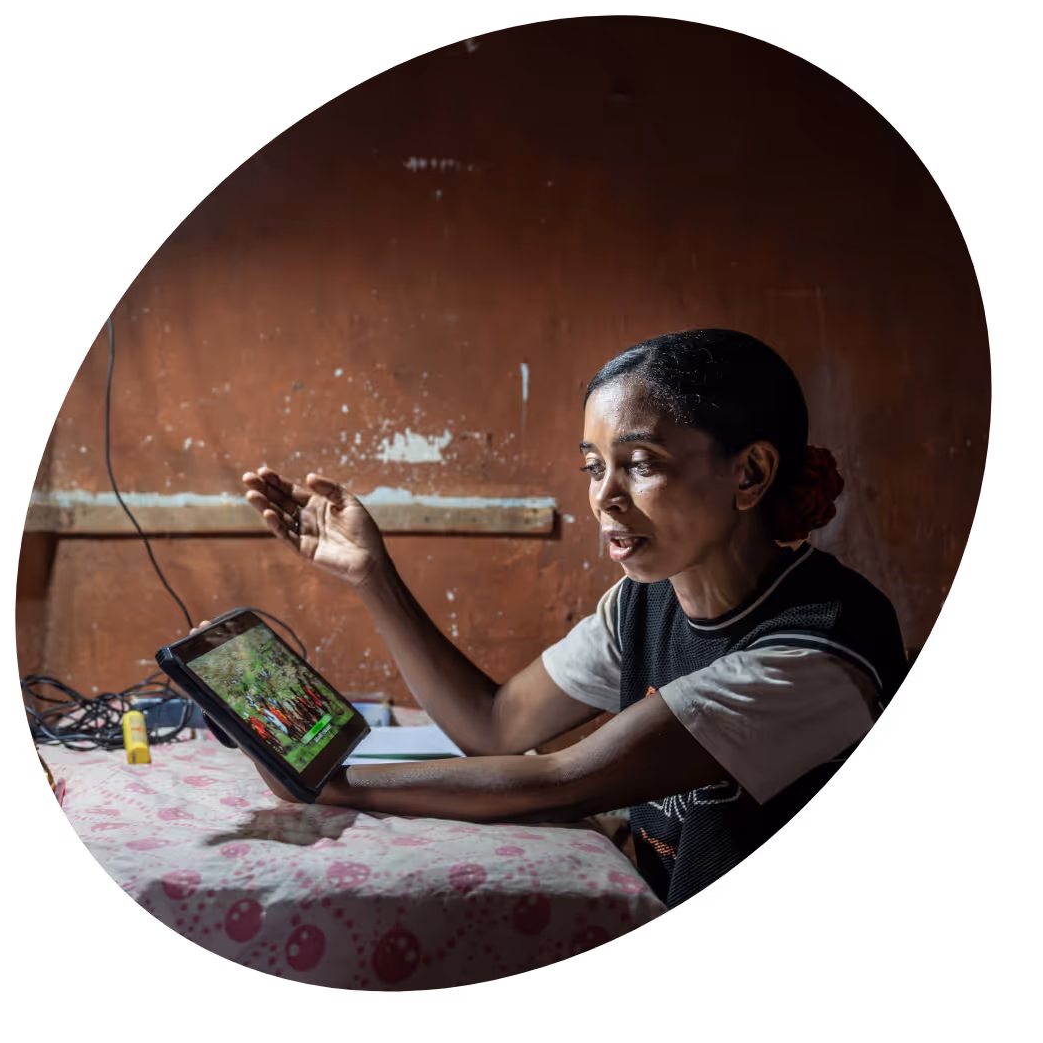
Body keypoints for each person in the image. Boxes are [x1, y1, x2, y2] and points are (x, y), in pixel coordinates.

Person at [197, 329, 908, 910]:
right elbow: (498, 725)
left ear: (750, 474)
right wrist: (372, 576)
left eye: (640, 464)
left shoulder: (821, 650)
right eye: (594, 467)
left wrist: (332, 785)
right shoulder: (644, 603)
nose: (606, 498)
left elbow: (567, 779)